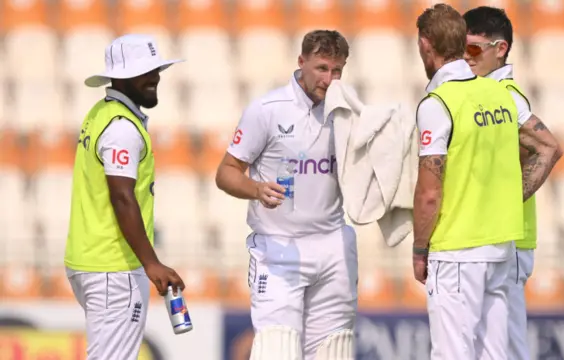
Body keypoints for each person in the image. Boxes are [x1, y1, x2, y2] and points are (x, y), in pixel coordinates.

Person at [215, 30, 356, 360]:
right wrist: (256, 189)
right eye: (322, 68)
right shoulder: (267, 109)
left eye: (337, 71)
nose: (329, 79)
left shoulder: (347, 109)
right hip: (279, 246)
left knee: (334, 350)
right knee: (277, 348)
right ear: (301, 62)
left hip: (334, 244)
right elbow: (226, 172)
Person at [411, 4, 524, 360]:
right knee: (494, 353)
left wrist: (419, 249)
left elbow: (430, 193)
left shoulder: (439, 102)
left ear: (426, 45)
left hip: (458, 248)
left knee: (452, 354)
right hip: (500, 247)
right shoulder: (500, 95)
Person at [64, 34, 186, 360]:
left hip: (92, 261)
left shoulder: (100, 113)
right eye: (145, 71)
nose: (155, 77)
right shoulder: (122, 127)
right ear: (120, 76)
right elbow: (122, 197)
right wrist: (151, 263)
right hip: (113, 267)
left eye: (156, 69)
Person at [463, 6, 563, 360]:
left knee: (505, 346)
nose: (465, 56)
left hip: (510, 240)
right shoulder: (483, 91)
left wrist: (507, 204)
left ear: (500, 48)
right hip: (495, 239)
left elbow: (549, 148)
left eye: (473, 48)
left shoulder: (506, 94)